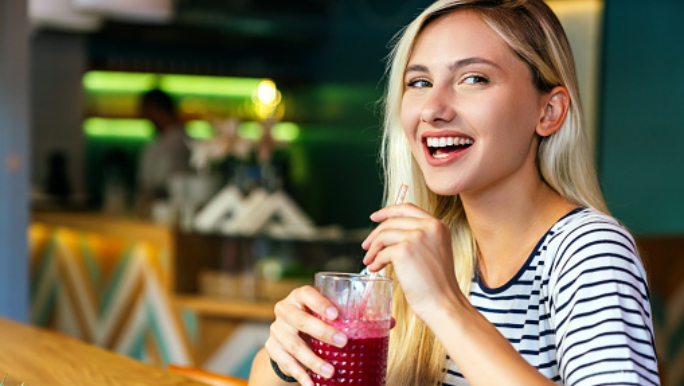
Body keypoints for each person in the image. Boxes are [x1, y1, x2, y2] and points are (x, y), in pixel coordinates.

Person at [248, 0, 660, 385]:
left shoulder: (587, 249)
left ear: (548, 111)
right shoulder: (423, 248)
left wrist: (445, 304)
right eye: (420, 82)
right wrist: (288, 352)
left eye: (473, 78)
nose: (433, 108)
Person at [136, 88, 191, 216]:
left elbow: (147, 193)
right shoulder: (192, 142)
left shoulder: (179, 144)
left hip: (167, 218)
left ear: (155, 110)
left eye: (146, 113)